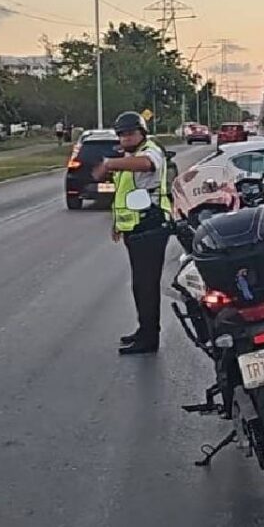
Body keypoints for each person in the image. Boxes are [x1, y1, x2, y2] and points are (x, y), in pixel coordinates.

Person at [92, 111, 172, 355]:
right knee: (140, 285)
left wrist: (110, 163)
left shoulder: (150, 150)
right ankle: (144, 329)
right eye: (122, 134)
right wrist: (118, 224)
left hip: (151, 225)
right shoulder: (129, 155)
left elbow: (148, 164)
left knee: (146, 285)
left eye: (130, 133)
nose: (126, 138)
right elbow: (123, 194)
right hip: (135, 227)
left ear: (142, 133)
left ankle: (149, 338)